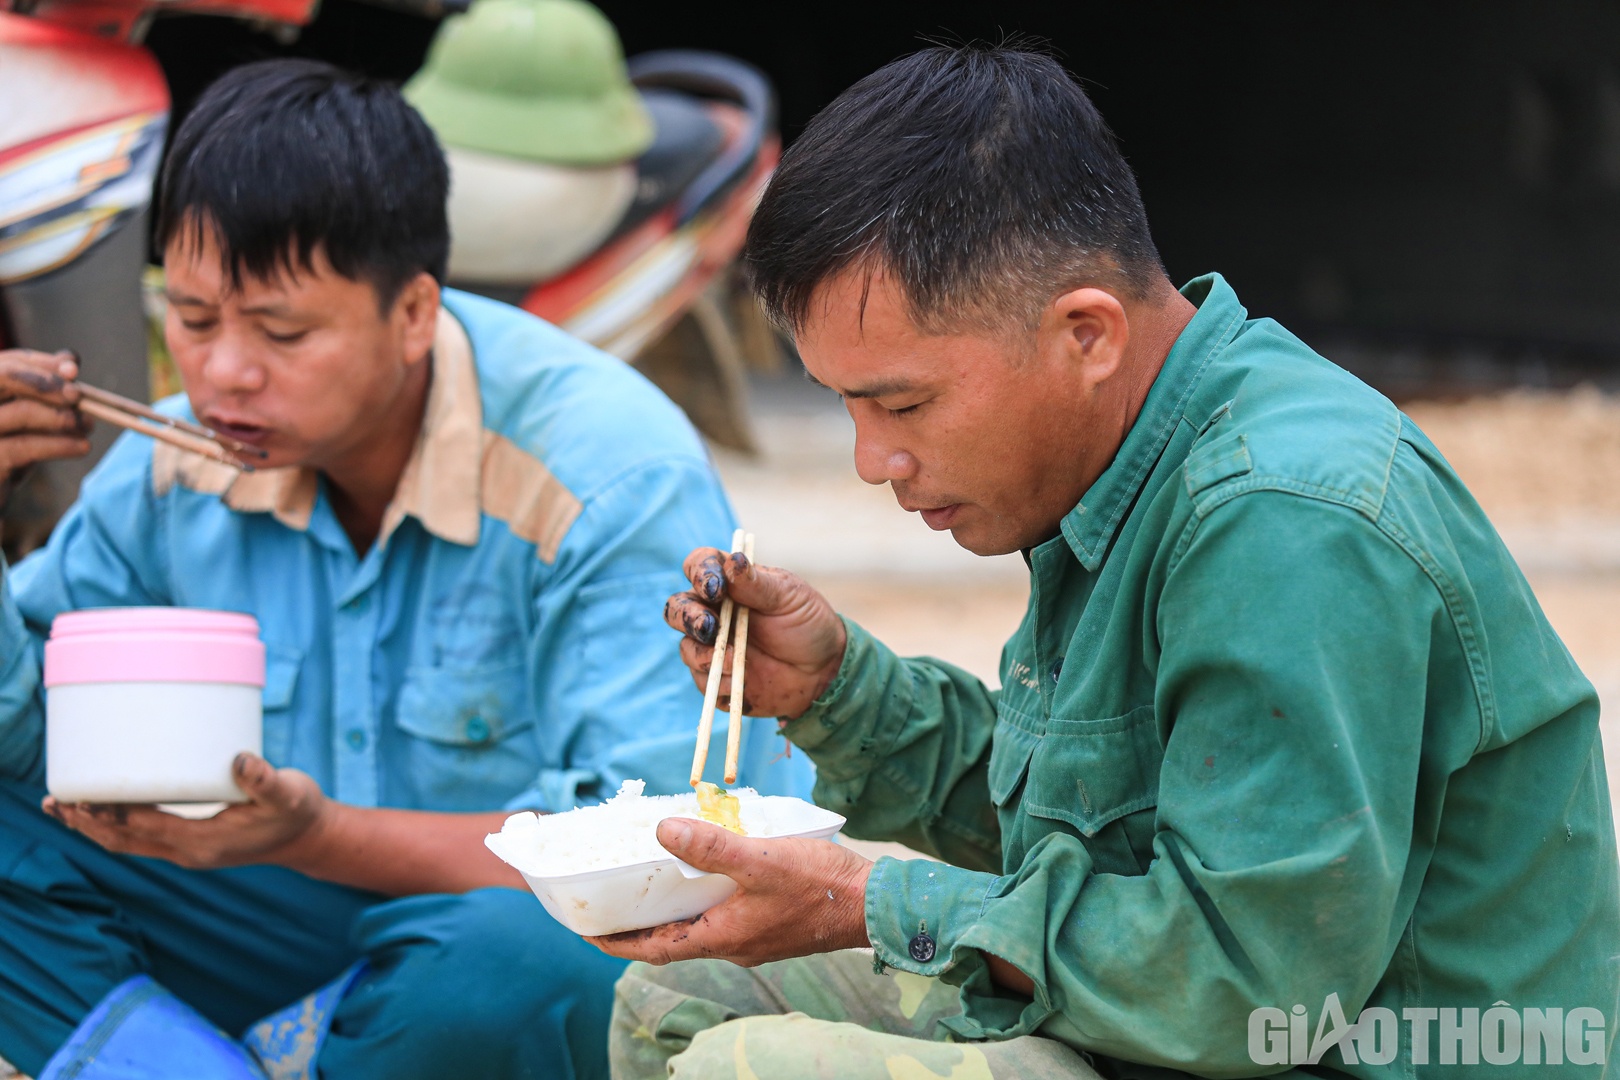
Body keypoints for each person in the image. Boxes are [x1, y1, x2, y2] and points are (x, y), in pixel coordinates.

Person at [594, 44, 1620, 1079]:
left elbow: (1246, 982)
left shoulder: (1285, 521)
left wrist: (855, 900)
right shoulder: (1136, 452)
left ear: (1086, 333)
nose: (874, 461)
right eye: (846, 405)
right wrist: (837, 692)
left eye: (903, 403)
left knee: (765, 1068)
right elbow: (1089, 828)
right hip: (1203, 1022)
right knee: (685, 995)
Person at [0, 60, 803, 1080]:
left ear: (415, 313)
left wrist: (318, 836)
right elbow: (27, 742)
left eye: (281, 330)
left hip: (521, 938)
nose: (221, 372)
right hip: (278, 931)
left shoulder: (605, 476)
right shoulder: (168, 466)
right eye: (192, 320)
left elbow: (652, 856)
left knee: (508, 970)